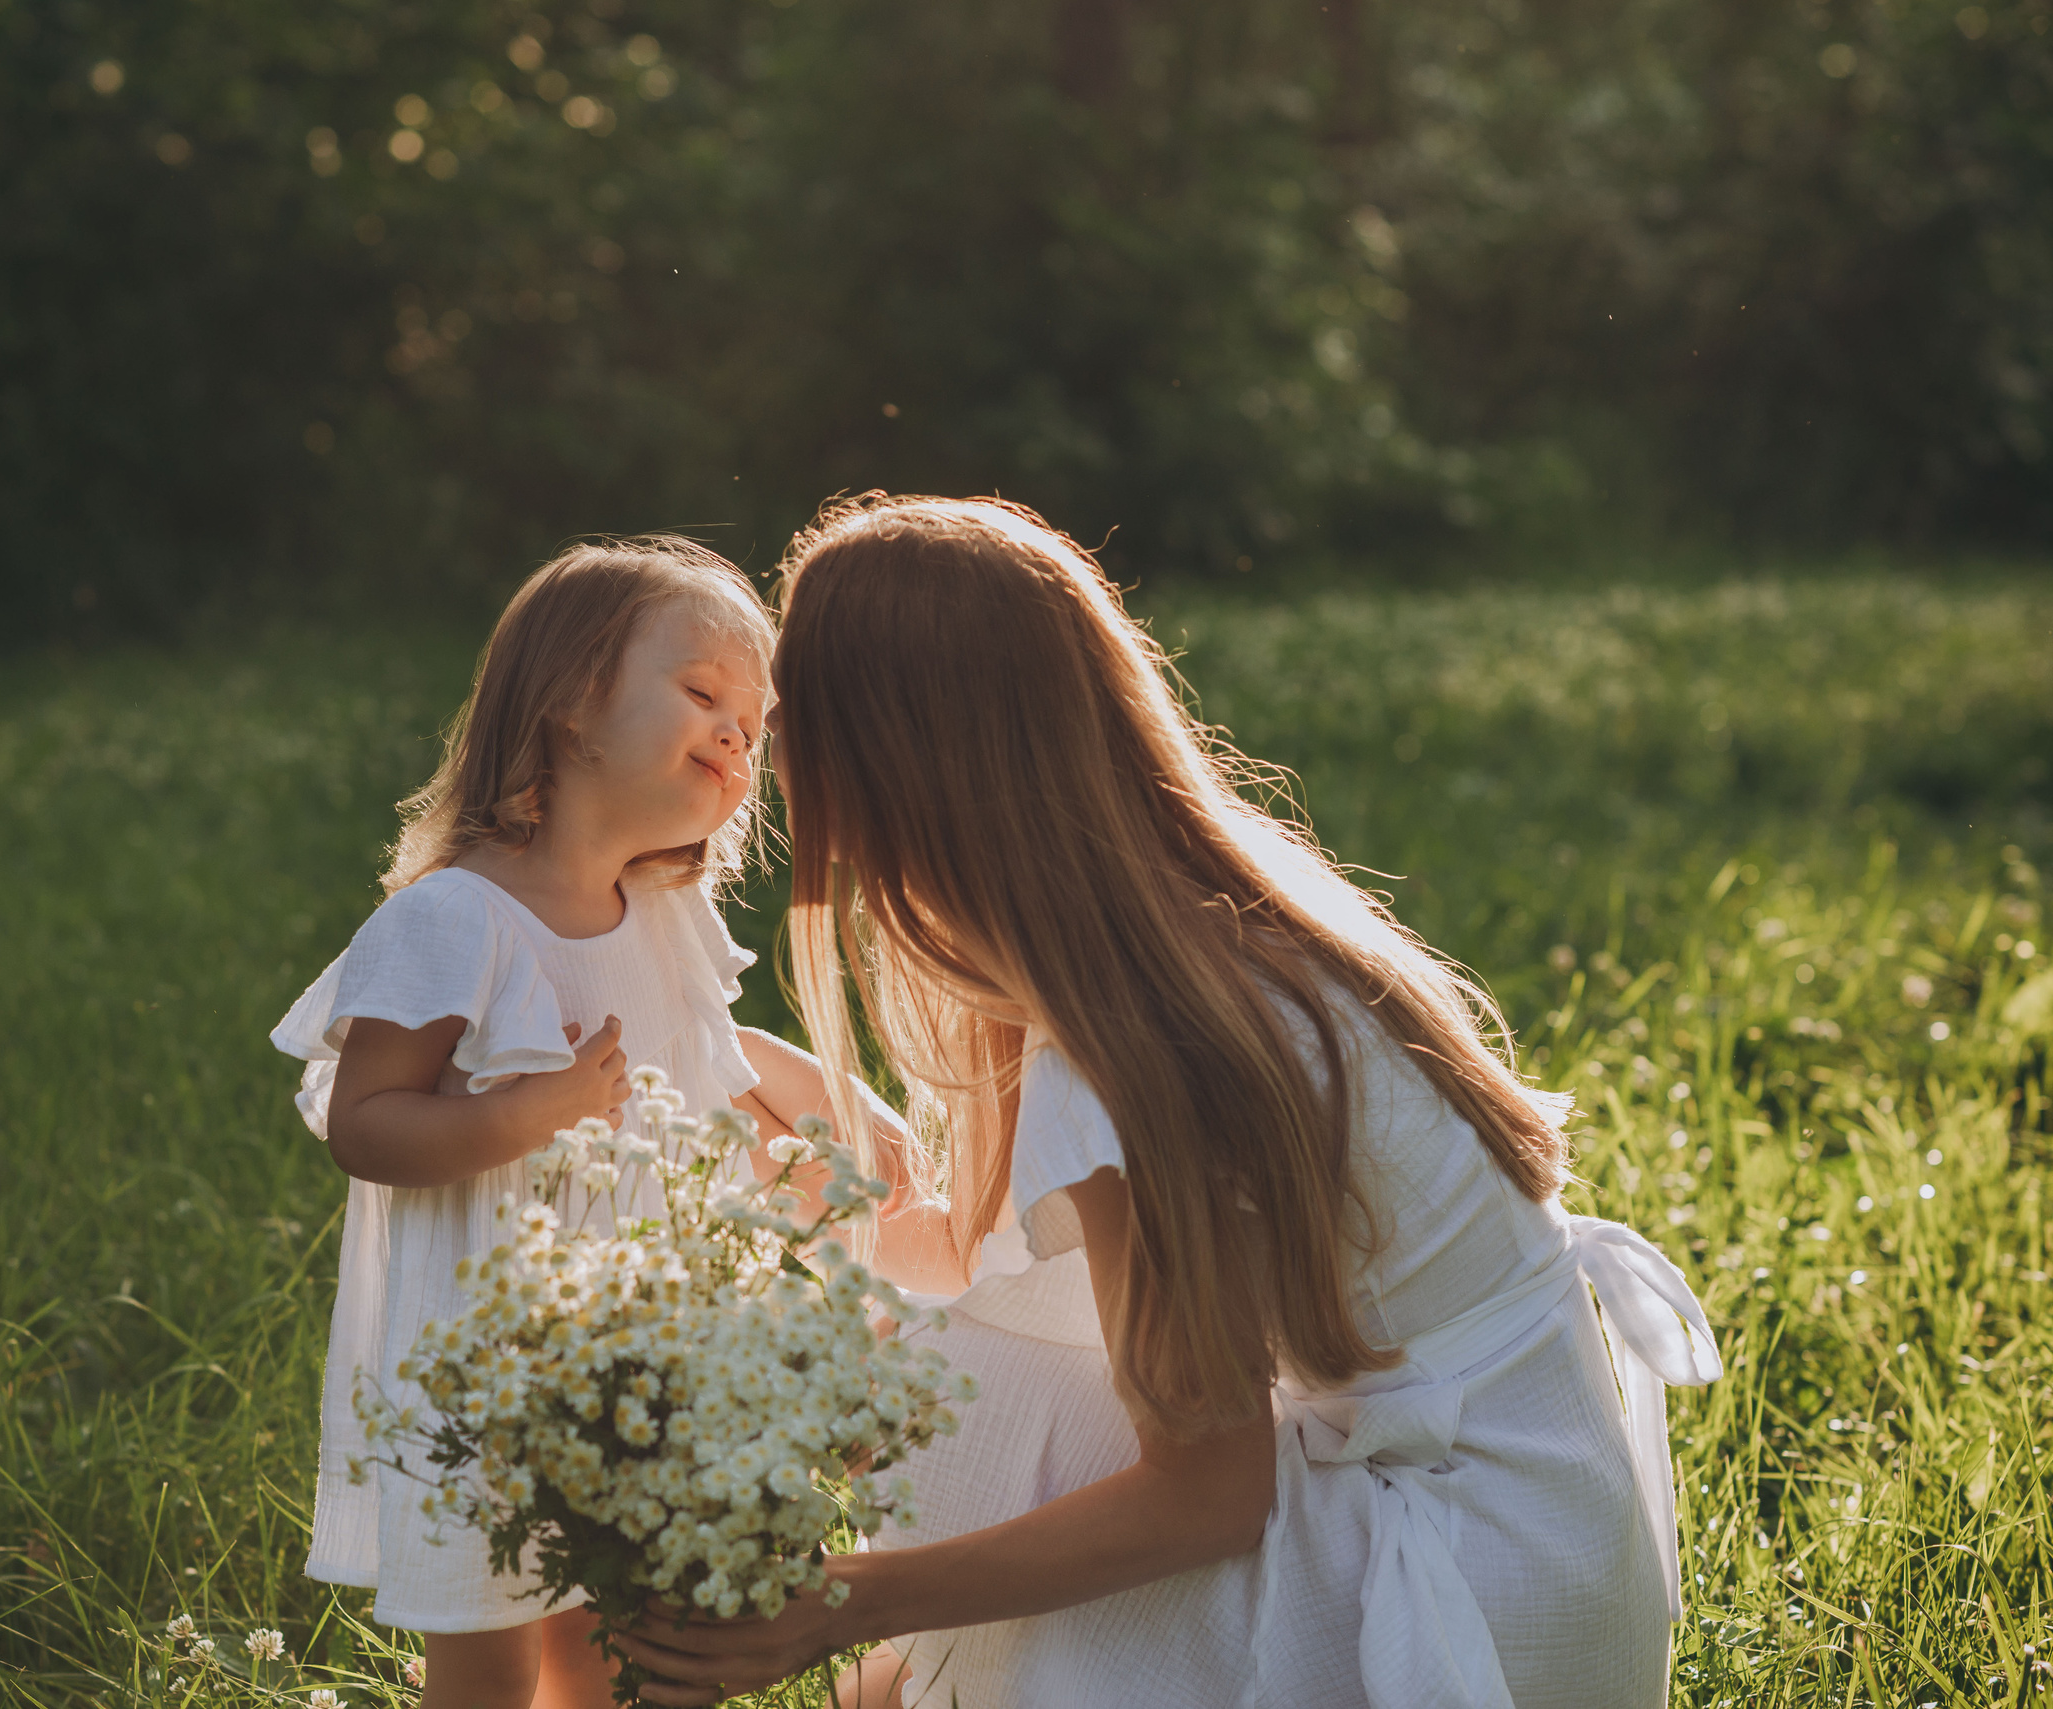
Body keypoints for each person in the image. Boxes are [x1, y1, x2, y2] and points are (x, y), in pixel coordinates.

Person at [616, 496, 1722, 1709]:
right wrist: (717, 1073)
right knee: (974, 1402)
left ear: (890, 772)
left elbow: (1207, 1488)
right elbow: (985, 1262)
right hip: (1550, 1535)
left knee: (973, 1403)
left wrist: (847, 1600)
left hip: (1470, 1601)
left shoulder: (1121, 1048)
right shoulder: (1219, 925)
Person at [269, 538, 956, 1709]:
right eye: (704, 694)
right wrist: (531, 1109)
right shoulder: (457, 918)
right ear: (574, 702)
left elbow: (704, 1052)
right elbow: (366, 1120)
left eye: (757, 720)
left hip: (639, 1362)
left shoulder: (661, 908)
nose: (742, 735)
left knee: (616, 1634)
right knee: (487, 1647)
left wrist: (823, 1102)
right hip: (488, 1369)